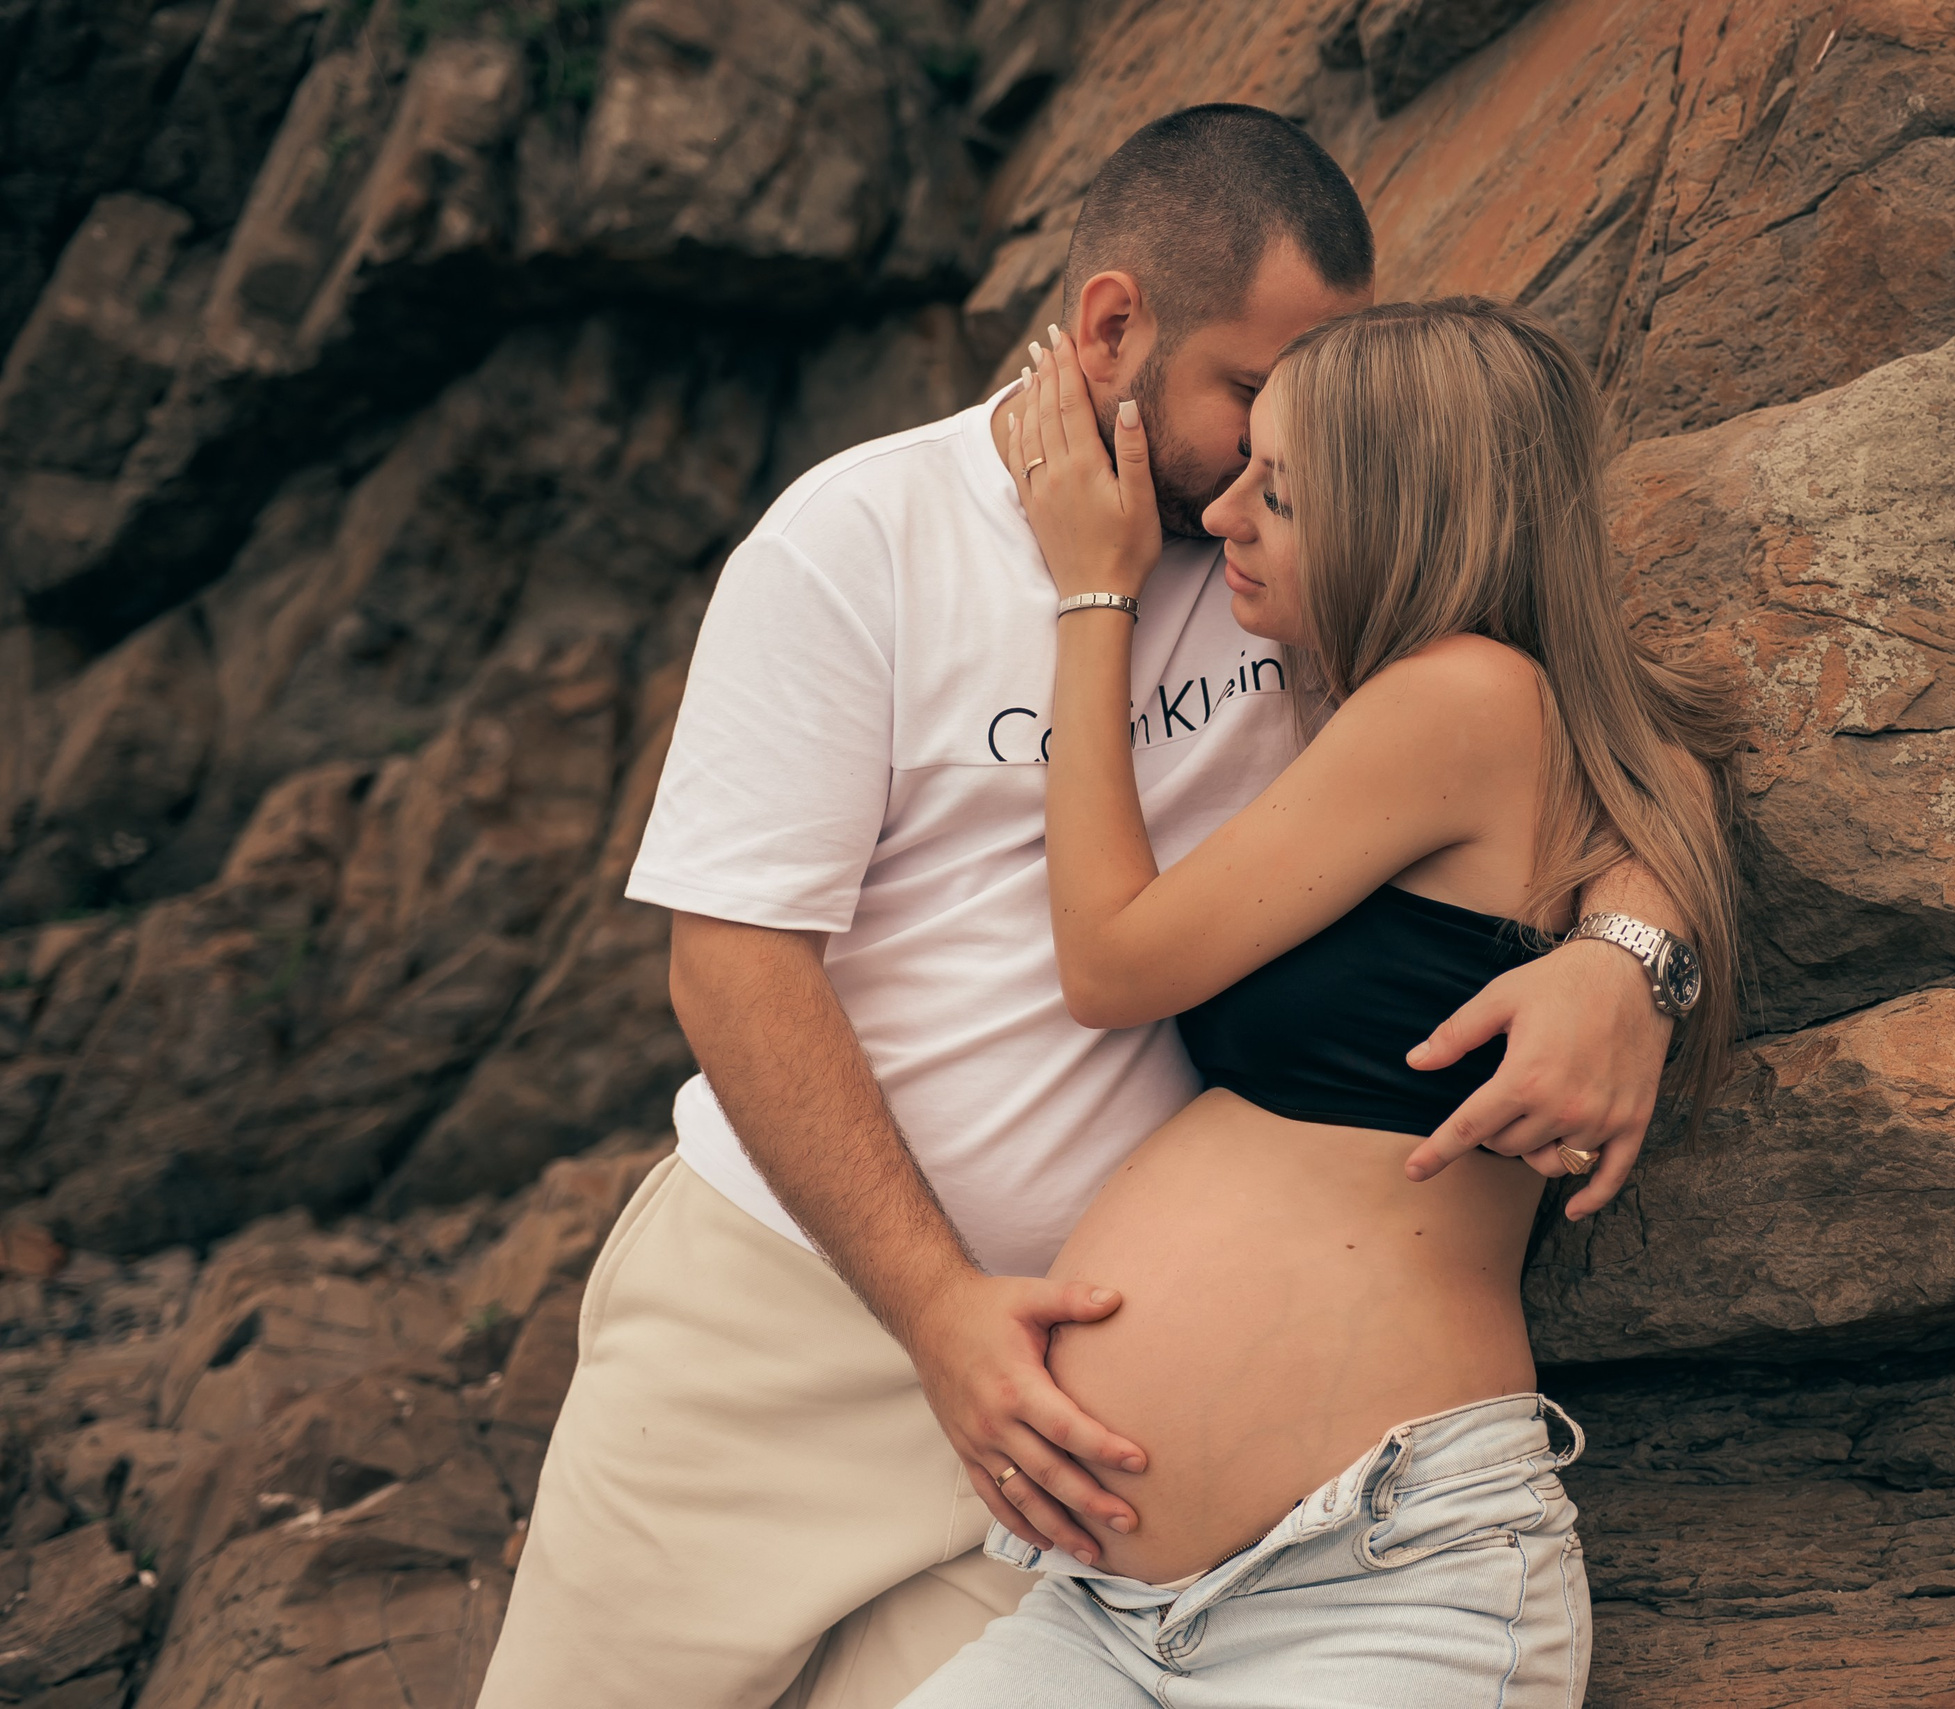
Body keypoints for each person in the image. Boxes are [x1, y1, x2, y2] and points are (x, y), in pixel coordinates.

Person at [475, 106, 1705, 1709]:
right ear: (1115, 325)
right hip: (796, 1316)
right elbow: (730, 970)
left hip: (1087, 1418)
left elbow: (1607, 728)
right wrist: (934, 1315)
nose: (1286, 445)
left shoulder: (1306, 567)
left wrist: (1631, 952)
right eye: (1259, 396)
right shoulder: (862, 540)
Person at [886, 298, 1741, 1708]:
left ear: (1405, 514)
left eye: (1277, 492)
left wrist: (1093, 591)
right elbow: (1669, 773)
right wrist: (1635, 946)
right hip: (1115, 1609)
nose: (1221, 512)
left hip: (1376, 1589)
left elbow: (1107, 961)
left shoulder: (1460, 696)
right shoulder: (1430, 710)